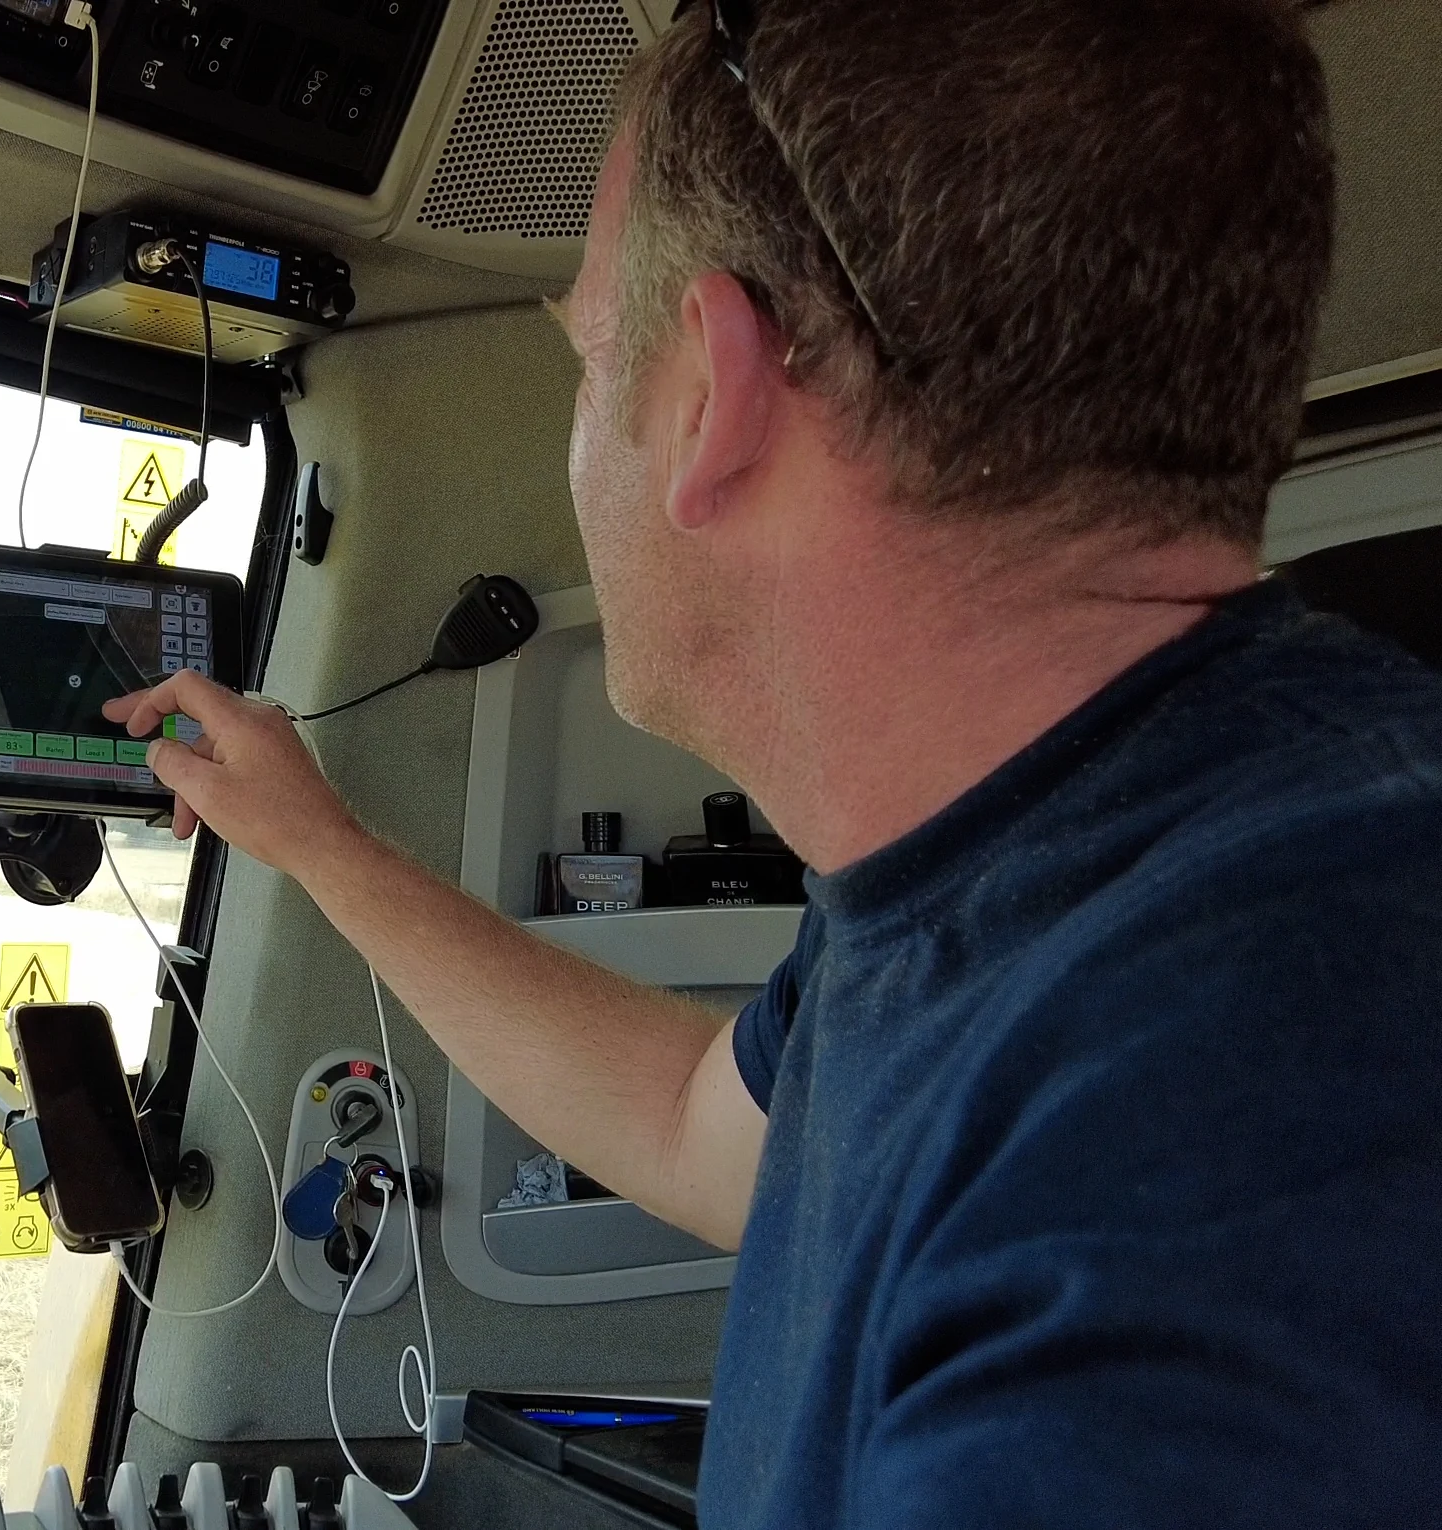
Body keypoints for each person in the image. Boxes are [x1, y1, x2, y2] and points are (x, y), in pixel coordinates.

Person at [104, 0, 1442, 1523]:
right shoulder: (1051, 867)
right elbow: (698, 1118)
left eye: (592, 360)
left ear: (709, 395)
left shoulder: (1242, 1106)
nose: (581, 431)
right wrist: (325, 850)